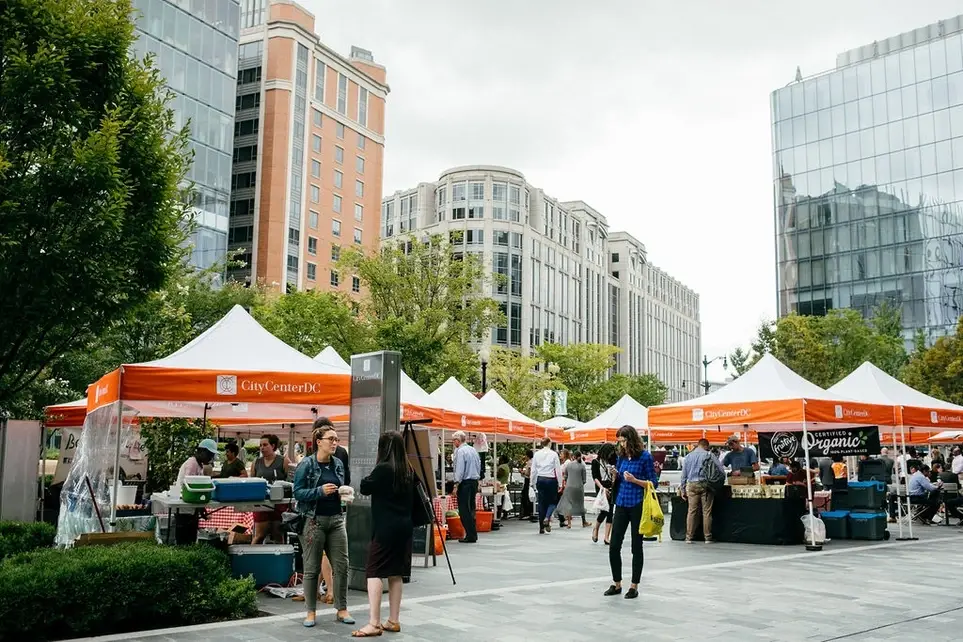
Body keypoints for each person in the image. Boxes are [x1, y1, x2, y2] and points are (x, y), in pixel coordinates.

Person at [351, 431, 414, 638]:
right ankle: (393, 620)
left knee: (374, 571)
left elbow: (364, 487)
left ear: (383, 448)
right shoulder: (408, 470)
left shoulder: (384, 468)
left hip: (385, 528)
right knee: (396, 573)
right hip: (405, 527)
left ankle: (374, 623)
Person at [293, 423, 353, 628]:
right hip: (313, 521)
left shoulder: (338, 463)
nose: (335, 443)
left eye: (336, 439)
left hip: (336, 519)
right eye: (331, 439)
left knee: (342, 566)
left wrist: (344, 494)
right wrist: (319, 491)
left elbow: (342, 485)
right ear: (319, 442)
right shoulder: (307, 464)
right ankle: (310, 612)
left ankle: (342, 609)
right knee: (311, 568)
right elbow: (297, 492)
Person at [604, 426, 658, 600]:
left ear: (631, 440)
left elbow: (653, 483)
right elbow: (620, 479)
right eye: (619, 441)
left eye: (623, 441)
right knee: (614, 545)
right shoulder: (621, 457)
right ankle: (617, 583)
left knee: (636, 546)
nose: (621, 444)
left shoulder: (644, 457)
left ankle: (634, 585)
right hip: (621, 502)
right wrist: (616, 475)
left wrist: (635, 480)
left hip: (637, 504)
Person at [313, 418, 350, 605]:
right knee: (324, 554)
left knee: (325, 554)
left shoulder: (337, 454)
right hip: (331, 509)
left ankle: (331, 590)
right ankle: (316, 590)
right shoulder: (316, 457)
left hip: (326, 511)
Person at [680, 438, 724, 544]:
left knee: (692, 511)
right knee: (706, 512)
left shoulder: (688, 456)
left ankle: (689, 537)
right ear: (706, 446)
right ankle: (707, 537)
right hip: (706, 485)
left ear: (698, 444)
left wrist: (682, 489)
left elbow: (684, 475)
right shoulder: (709, 455)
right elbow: (721, 470)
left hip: (692, 485)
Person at [250, 434, 292, 544]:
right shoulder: (256, 462)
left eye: (265, 445)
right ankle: (252, 554)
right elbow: (251, 482)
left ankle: (280, 554)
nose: (262, 448)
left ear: (273, 446)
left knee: (278, 534)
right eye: (260, 445)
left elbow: (291, 482)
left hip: (279, 503)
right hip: (261, 504)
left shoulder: (284, 461)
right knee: (259, 535)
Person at [451, 431, 481, 544]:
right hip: (474, 481)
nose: (453, 443)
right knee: (471, 508)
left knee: (464, 510)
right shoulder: (473, 450)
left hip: (465, 483)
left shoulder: (460, 451)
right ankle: (472, 533)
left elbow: (459, 469)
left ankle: (470, 534)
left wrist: (456, 485)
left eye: (454, 440)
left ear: (458, 440)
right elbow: (479, 465)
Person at [530, 437, 563, 534]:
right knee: (553, 501)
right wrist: (560, 483)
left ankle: (541, 527)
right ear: (549, 443)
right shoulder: (554, 454)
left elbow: (533, 470)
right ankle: (547, 517)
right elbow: (558, 469)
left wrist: (532, 482)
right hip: (551, 479)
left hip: (540, 479)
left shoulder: (537, 454)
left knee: (541, 503)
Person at [591, 444, 617, 545]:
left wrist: (614, 475)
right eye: (609, 453)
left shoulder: (613, 462)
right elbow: (595, 477)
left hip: (611, 486)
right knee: (604, 510)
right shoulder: (596, 462)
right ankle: (596, 528)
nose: (611, 455)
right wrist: (602, 488)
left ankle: (606, 537)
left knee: (610, 511)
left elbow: (614, 479)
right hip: (601, 487)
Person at [559, 451, 588, 528]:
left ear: (573, 457)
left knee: (569, 504)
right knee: (581, 504)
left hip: (569, 487)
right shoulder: (582, 466)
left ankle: (569, 523)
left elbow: (565, 476)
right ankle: (584, 522)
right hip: (579, 487)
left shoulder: (568, 465)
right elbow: (584, 480)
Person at [519, 450, 535, 521]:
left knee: (526, 496)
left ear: (527, 456)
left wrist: (521, 472)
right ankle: (529, 512)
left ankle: (527, 512)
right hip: (529, 480)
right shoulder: (532, 461)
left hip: (528, 480)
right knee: (527, 496)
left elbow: (528, 473)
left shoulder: (530, 462)